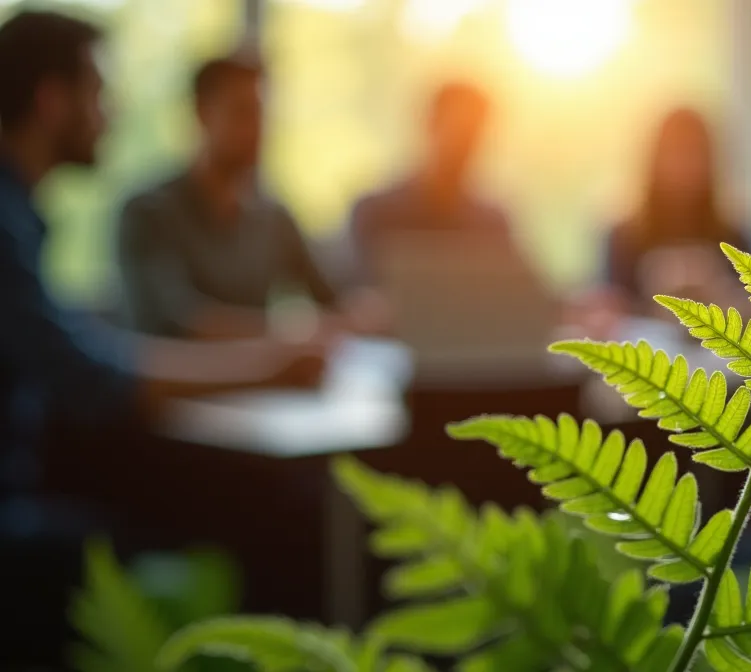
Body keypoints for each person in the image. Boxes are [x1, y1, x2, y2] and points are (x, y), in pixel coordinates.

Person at [0, 11, 323, 665]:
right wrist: (267, 365)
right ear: (51, 100)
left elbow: (65, 348)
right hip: (18, 495)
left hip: (42, 462)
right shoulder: (18, 222)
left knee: (275, 495)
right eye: (99, 94)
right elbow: (92, 375)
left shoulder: (21, 217)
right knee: (261, 509)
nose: (110, 114)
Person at [117, 54, 355, 339]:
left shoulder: (272, 217)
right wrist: (287, 336)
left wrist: (362, 310)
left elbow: (331, 299)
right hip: (182, 380)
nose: (257, 128)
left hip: (266, 382)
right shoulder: (149, 212)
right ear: (202, 114)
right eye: (242, 112)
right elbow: (177, 320)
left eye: (262, 114)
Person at [349, 81, 520, 283]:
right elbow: (349, 289)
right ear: (430, 125)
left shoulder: (492, 223)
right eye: (456, 132)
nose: (463, 147)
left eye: (472, 135)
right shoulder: (376, 213)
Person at [602, 108, 749, 313]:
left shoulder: (736, 236)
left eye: (694, 152)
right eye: (674, 151)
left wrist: (721, 292)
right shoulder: (623, 240)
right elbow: (606, 314)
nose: (684, 164)